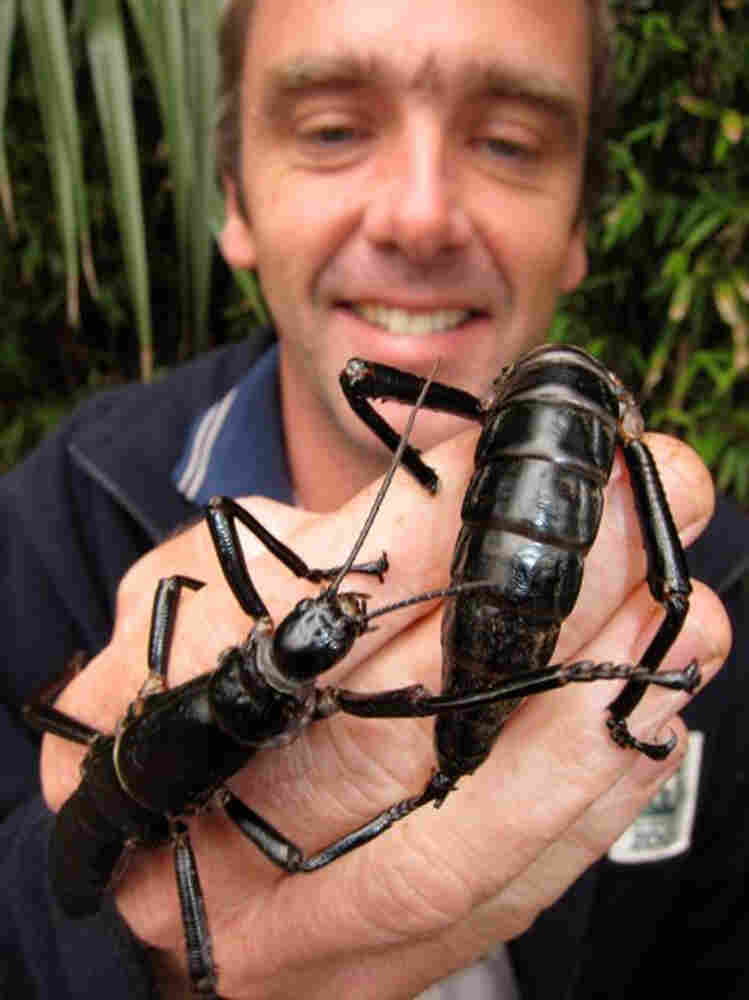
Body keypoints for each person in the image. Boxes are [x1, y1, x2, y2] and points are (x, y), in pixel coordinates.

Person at [0, 1, 745, 997]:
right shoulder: (56, 523)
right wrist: (84, 961)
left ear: (576, 227)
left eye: (506, 141)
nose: (418, 216)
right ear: (235, 200)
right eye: (333, 130)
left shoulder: (713, 587)